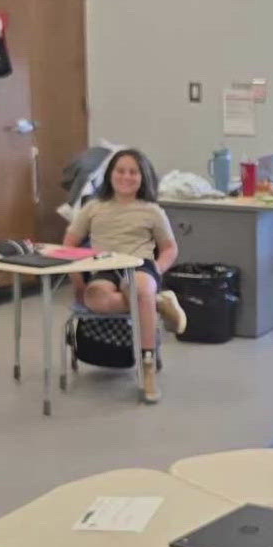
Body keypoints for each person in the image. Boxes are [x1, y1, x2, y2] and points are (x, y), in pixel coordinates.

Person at [64, 148, 188, 403]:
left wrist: (156, 270)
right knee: (97, 299)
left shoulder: (151, 211)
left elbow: (169, 248)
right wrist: (77, 280)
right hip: (104, 266)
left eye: (133, 172)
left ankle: (148, 363)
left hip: (139, 264)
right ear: (110, 174)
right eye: (121, 171)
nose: (126, 177)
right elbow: (70, 244)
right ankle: (157, 303)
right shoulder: (93, 207)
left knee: (140, 289)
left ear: (143, 178)